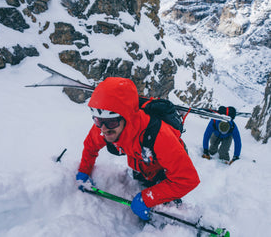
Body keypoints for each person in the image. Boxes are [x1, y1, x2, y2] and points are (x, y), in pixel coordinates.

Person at [76, 77, 200, 221]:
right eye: (97, 120)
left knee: (164, 199)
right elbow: (91, 145)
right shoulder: (107, 124)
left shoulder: (160, 136)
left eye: (110, 122)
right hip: (141, 163)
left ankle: (168, 219)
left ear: (127, 117)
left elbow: (187, 179)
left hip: (164, 168)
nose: (103, 129)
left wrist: (147, 198)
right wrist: (84, 170)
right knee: (143, 182)